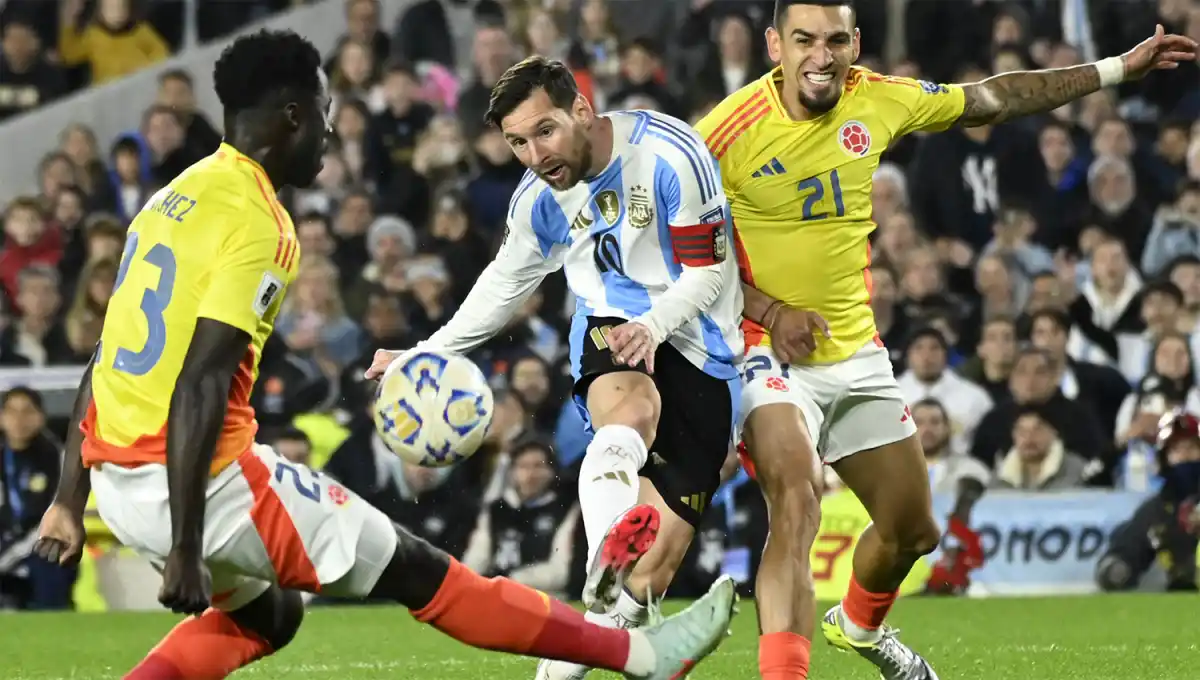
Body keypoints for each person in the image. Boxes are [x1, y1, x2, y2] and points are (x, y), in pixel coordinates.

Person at [30, 31, 735, 680]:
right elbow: (201, 385)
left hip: (118, 483)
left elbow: (105, 356)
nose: (335, 128)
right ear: (294, 113)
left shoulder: (171, 199)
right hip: (205, 487)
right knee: (425, 573)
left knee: (270, 615)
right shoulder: (260, 226)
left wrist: (69, 499)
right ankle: (639, 654)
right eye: (327, 109)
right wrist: (186, 544)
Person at [693, 1, 1198, 678]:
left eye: (836, 40)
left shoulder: (879, 98)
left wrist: (1113, 69)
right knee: (797, 499)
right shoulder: (722, 134)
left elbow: (995, 97)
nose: (822, 56)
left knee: (913, 530)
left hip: (854, 349)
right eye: (804, 40)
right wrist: (770, 308)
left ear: (855, 42)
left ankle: (860, 628)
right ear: (773, 45)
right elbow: (685, 253)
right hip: (762, 346)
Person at [366, 55, 744, 680]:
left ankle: (601, 599)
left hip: (699, 338)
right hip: (608, 318)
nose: (534, 154)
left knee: (645, 585)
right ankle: (604, 550)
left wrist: (654, 326)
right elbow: (503, 285)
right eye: (517, 142)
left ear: (581, 111)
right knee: (634, 410)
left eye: (544, 131)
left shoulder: (671, 154)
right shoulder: (539, 199)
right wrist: (429, 351)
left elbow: (705, 273)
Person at [1096, 408, 1200, 592]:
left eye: (1192, 448)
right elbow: (1129, 546)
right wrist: (1118, 568)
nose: (1185, 456)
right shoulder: (1158, 510)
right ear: (1164, 459)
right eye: (1176, 450)